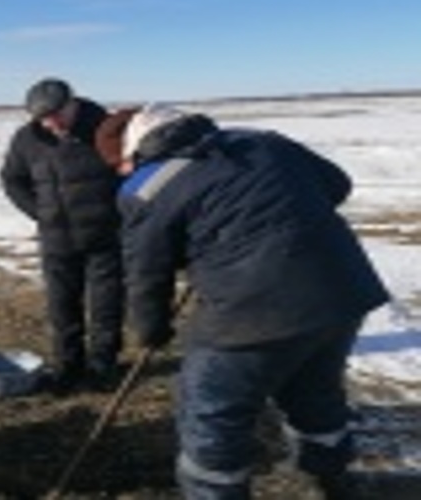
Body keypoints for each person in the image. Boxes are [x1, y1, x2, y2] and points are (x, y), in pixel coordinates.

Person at [100, 104, 391, 499]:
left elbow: (148, 272)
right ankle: (330, 479)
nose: (123, 174)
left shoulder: (146, 187)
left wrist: (151, 330)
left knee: (211, 413)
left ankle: (213, 492)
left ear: (133, 151)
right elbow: (337, 185)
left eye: (120, 165)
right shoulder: (262, 141)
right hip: (341, 291)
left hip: (252, 312)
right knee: (315, 391)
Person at [0, 77, 126, 393]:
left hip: (105, 237)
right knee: (62, 307)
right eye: (44, 117)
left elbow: (132, 175)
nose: (52, 122)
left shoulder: (106, 131)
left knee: (106, 306)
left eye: (58, 114)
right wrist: (40, 214)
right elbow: (12, 179)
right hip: (57, 240)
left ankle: (103, 366)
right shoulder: (28, 139)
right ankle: (67, 367)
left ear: (74, 103)